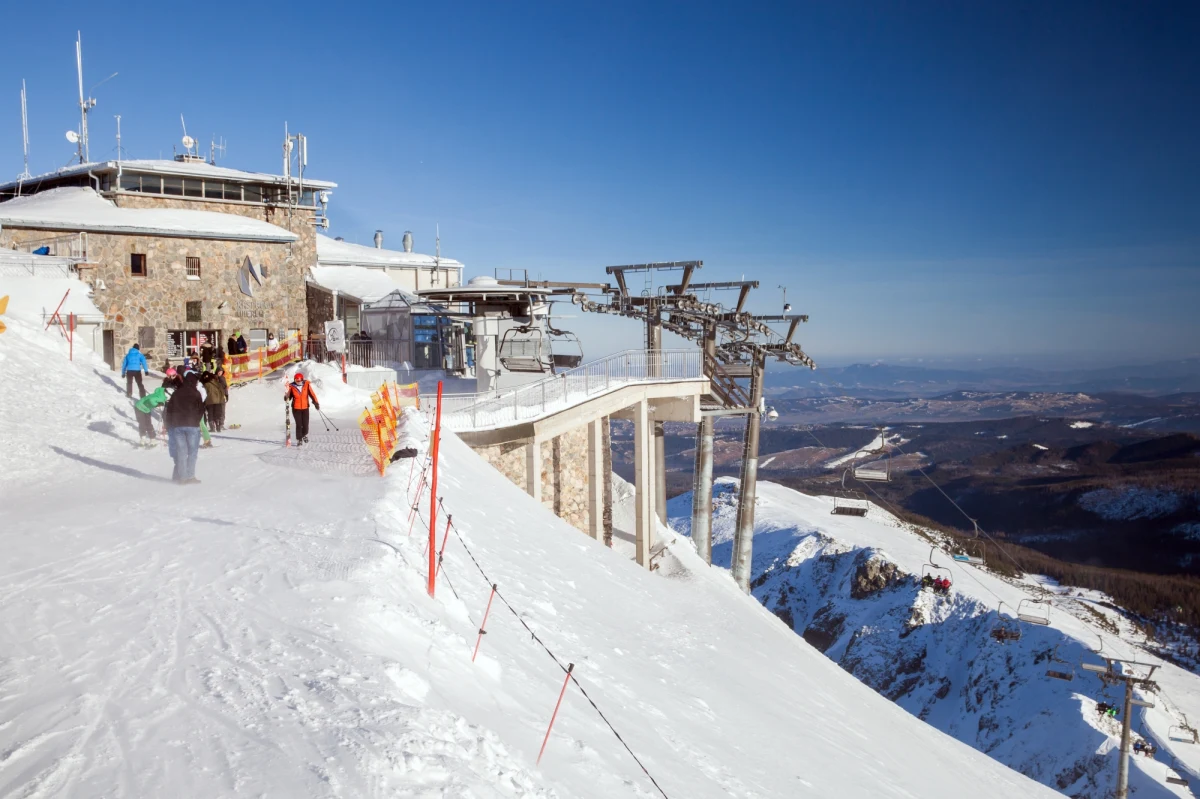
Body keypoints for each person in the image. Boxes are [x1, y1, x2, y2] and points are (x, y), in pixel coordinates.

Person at [164, 370, 206, 483]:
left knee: (181, 452)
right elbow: (201, 409)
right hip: (192, 426)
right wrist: (196, 420)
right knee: (192, 452)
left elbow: (170, 410)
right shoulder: (196, 393)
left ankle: (182, 478)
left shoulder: (176, 393)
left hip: (178, 426)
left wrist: (169, 424)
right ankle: (190, 476)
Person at [284, 371, 320, 445]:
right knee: (299, 424)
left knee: (305, 424)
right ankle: (299, 439)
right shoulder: (292, 387)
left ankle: (304, 435)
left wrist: (316, 403)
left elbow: (312, 394)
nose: (298, 382)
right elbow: (289, 397)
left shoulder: (306, 385)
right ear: (294, 380)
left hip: (305, 408)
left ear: (302, 380)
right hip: (296, 408)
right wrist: (286, 397)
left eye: (299, 380)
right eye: (296, 380)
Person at [201, 367, 228, 433]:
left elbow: (204, 393)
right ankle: (218, 427)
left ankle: (212, 428)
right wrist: (224, 397)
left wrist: (203, 401)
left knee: (210, 414)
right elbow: (222, 390)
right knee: (217, 413)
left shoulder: (205, 384)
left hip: (210, 401)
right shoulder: (216, 382)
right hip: (218, 400)